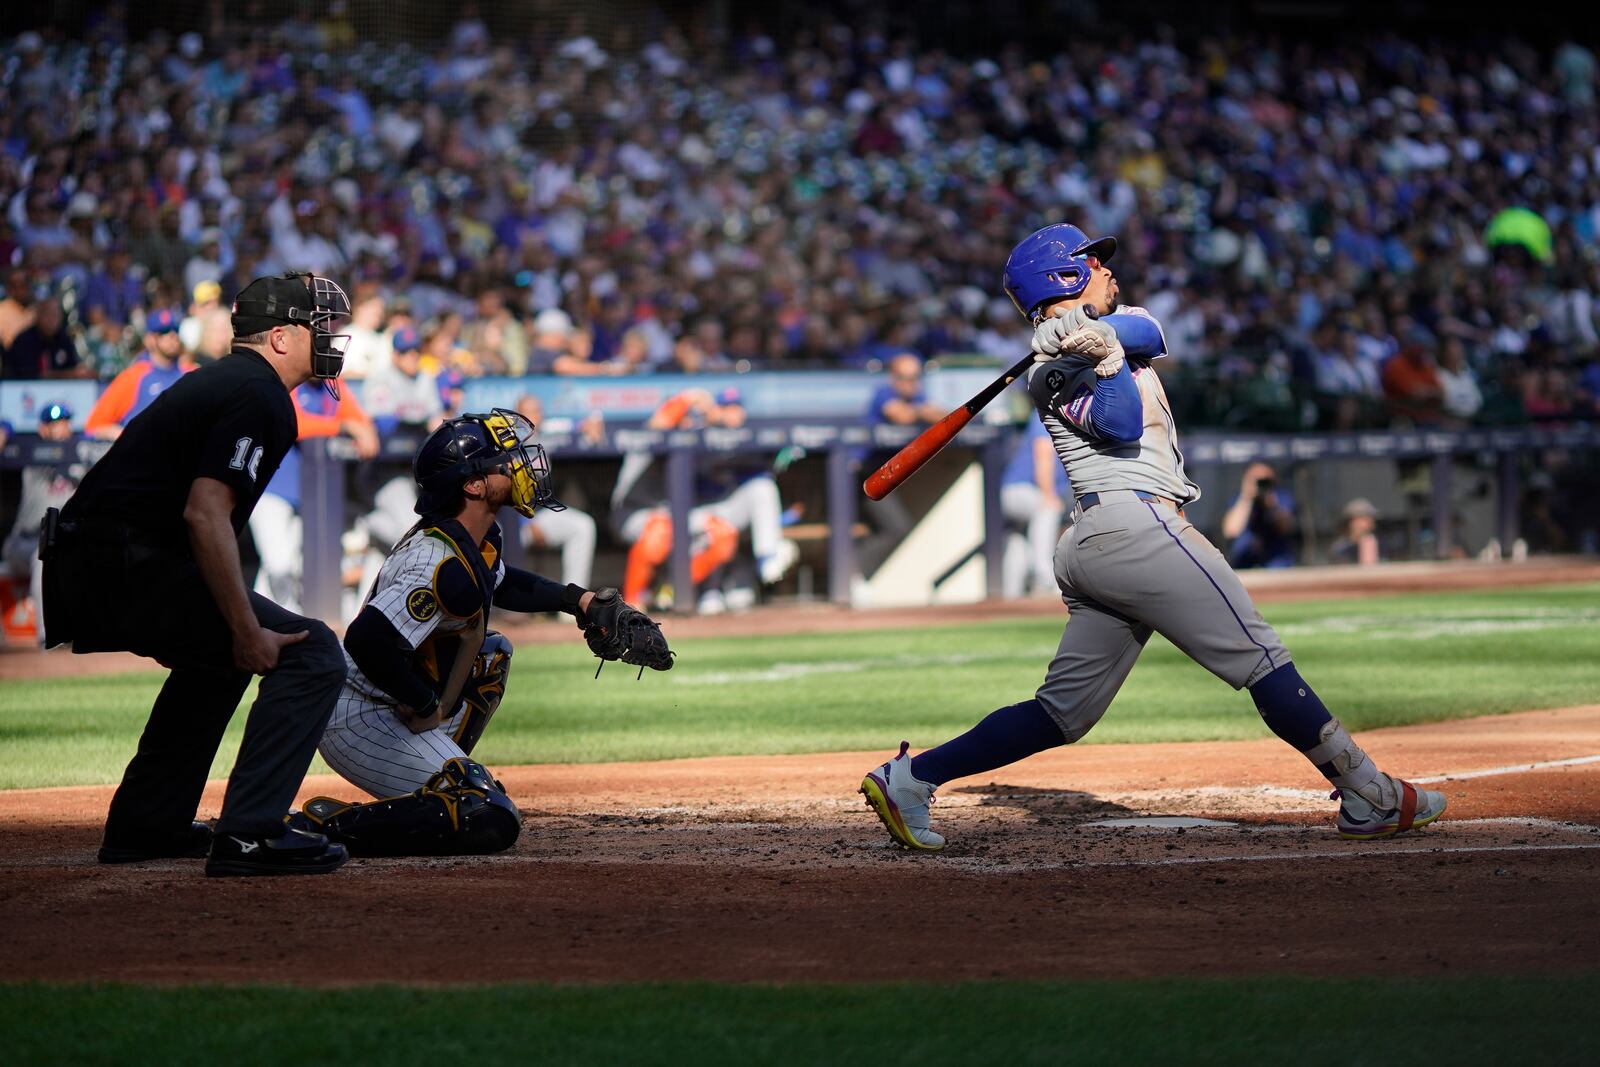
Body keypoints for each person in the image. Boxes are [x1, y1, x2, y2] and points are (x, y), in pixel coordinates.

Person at [859, 224, 1446, 851]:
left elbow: (1150, 332)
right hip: (1133, 528)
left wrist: (1100, 334)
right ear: (1062, 277)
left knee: (1062, 713)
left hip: (1105, 542)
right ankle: (1371, 795)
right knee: (1263, 660)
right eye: (1094, 263)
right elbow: (1118, 424)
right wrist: (1095, 358)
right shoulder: (1048, 373)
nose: (1110, 270)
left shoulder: (1115, 324)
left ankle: (913, 778)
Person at [42, 272, 356, 877]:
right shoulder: (258, 393)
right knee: (312, 652)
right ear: (282, 338)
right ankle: (250, 834)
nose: (332, 340)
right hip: (124, 564)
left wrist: (233, 629)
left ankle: (147, 823)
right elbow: (204, 511)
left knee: (220, 656)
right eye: (321, 327)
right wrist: (244, 626)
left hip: (100, 561)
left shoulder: (231, 381)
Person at [294, 409, 671, 856]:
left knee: (492, 653)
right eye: (503, 460)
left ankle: (445, 773)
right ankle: (327, 823)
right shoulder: (437, 561)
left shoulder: (473, 537)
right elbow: (365, 638)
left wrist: (580, 601)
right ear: (473, 485)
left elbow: (502, 580)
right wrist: (424, 701)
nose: (518, 465)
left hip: (391, 704)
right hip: (360, 715)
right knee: (486, 817)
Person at [248, 382, 380, 612]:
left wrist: (363, 428)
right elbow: (293, 422)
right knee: (278, 563)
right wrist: (342, 425)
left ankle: (269, 622)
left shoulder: (332, 385)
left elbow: (360, 419)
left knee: (290, 567)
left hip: (310, 495)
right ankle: (275, 622)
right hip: (270, 489)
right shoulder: (287, 379)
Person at [856, 352, 945, 579]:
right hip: (863, 475)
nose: (910, 383)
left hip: (889, 479)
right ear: (893, 378)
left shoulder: (917, 397)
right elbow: (901, 416)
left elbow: (943, 415)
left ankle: (857, 576)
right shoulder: (883, 393)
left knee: (893, 528)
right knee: (896, 528)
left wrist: (923, 410)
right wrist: (922, 411)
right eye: (905, 377)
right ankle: (854, 576)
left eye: (915, 377)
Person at [2, 404, 83, 643]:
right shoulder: (31, 453)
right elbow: (7, 426)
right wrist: (5, 430)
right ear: (42, 428)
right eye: (54, 423)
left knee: (55, 554)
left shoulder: (79, 453)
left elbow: (97, 442)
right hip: (23, 543)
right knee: (45, 559)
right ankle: (47, 638)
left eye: (65, 422)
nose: (61, 428)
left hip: (57, 545)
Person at [513, 394, 598, 589]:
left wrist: (589, 425)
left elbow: (577, 424)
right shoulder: (506, 443)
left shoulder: (547, 432)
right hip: (509, 520)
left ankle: (575, 602)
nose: (536, 417)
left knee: (583, 526)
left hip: (539, 514)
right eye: (529, 412)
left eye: (538, 412)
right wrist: (525, 522)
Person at [83, 308, 194, 439]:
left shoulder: (190, 373)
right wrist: (125, 436)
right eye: (164, 332)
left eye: (176, 330)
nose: (172, 336)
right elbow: (93, 426)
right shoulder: (133, 377)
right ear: (149, 339)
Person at [1000, 416, 1071, 599]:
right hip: (1019, 490)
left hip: (1023, 493)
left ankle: (1011, 598)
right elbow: (1043, 454)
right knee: (1048, 508)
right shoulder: (1046, 413)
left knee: (1019, 539)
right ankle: (1044, 578)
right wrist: (1048, 495)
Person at [1220, 462, 1299, 569]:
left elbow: (1286, 527)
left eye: (1265, 480)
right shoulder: (1239, 500)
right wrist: (1246, 497)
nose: (1261, 484)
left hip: (1276, 561)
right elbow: (1231, 531)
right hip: (1244, 560)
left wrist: (1272, 505)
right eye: (1257, 480)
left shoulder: (1281, 497)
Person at [1329, 498, 1381, 566]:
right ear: (1353, 522)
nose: (1370, 523)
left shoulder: (1377, 543)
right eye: (1365, 518)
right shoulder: (1341, 549)